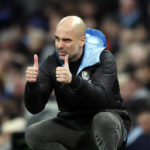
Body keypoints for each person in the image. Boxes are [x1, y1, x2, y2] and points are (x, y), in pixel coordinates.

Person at [24, 16, 131, 150]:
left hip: (109, 124)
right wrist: (32, 85)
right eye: (57, 39)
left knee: (103, 120)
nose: (59, 45)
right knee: (34, 134)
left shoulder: (103, 57)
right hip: (73, 125)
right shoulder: (52, 62)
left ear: (82, 41)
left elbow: (102, 98)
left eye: (66, 40)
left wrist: (73, 81)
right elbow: (35, 108)